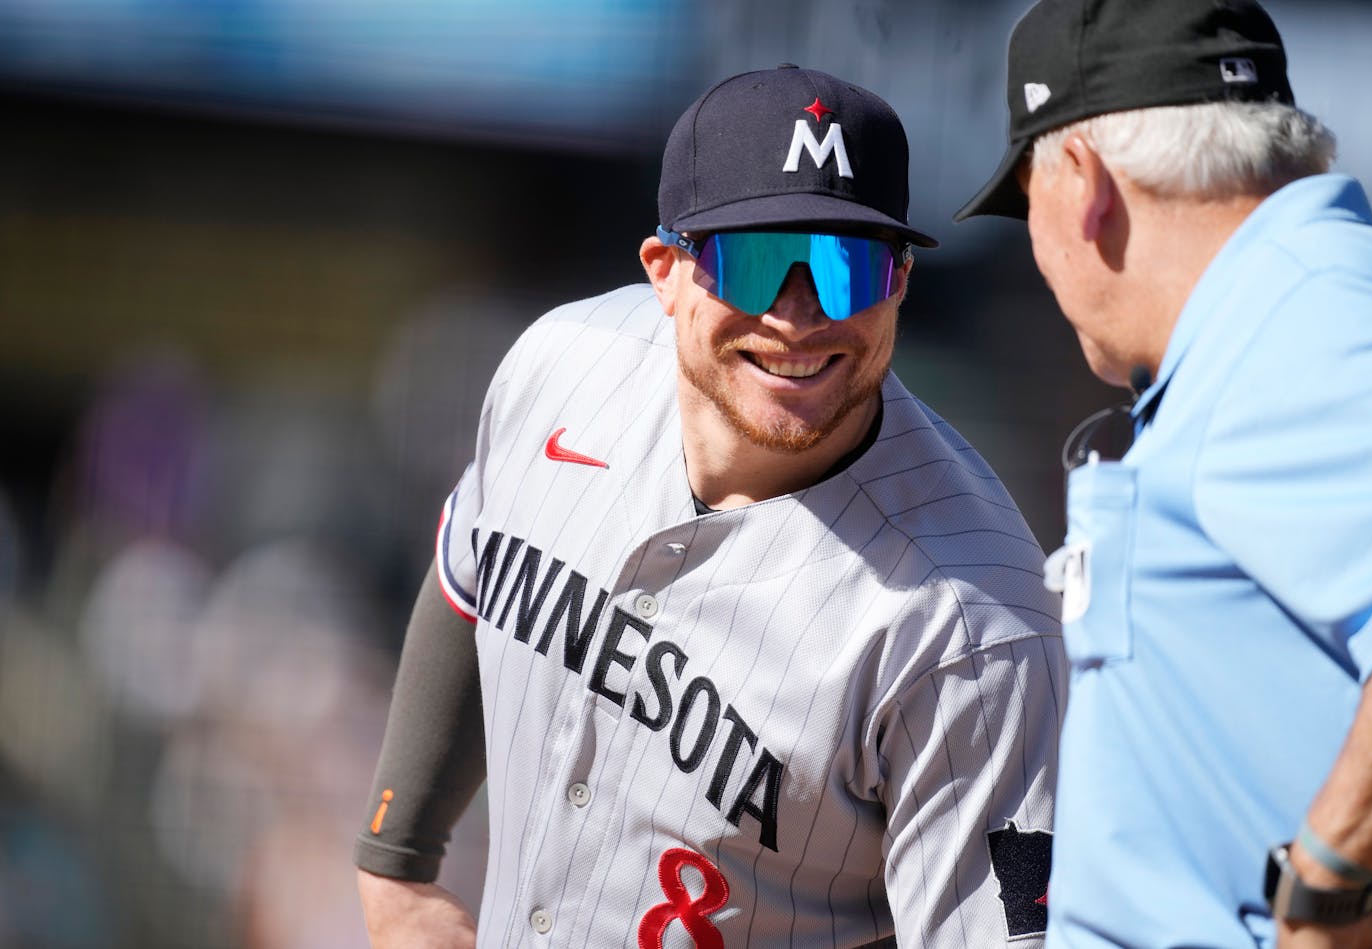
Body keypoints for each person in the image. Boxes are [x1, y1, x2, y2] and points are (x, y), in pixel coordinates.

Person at [353, 64, 1067, 946]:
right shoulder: (563, 364)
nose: (799, 315)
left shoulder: (974, 629)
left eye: (849, 267)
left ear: (903, 283)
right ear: (667, 269)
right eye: (759, 258)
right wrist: (397, 864)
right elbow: (468, 572)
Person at [956, 1, 1372, 947]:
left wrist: (1324, 891)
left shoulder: (1305, 307)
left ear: (1082, 181)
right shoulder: (1291, 304)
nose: (1038, 253)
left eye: (1028, 203)